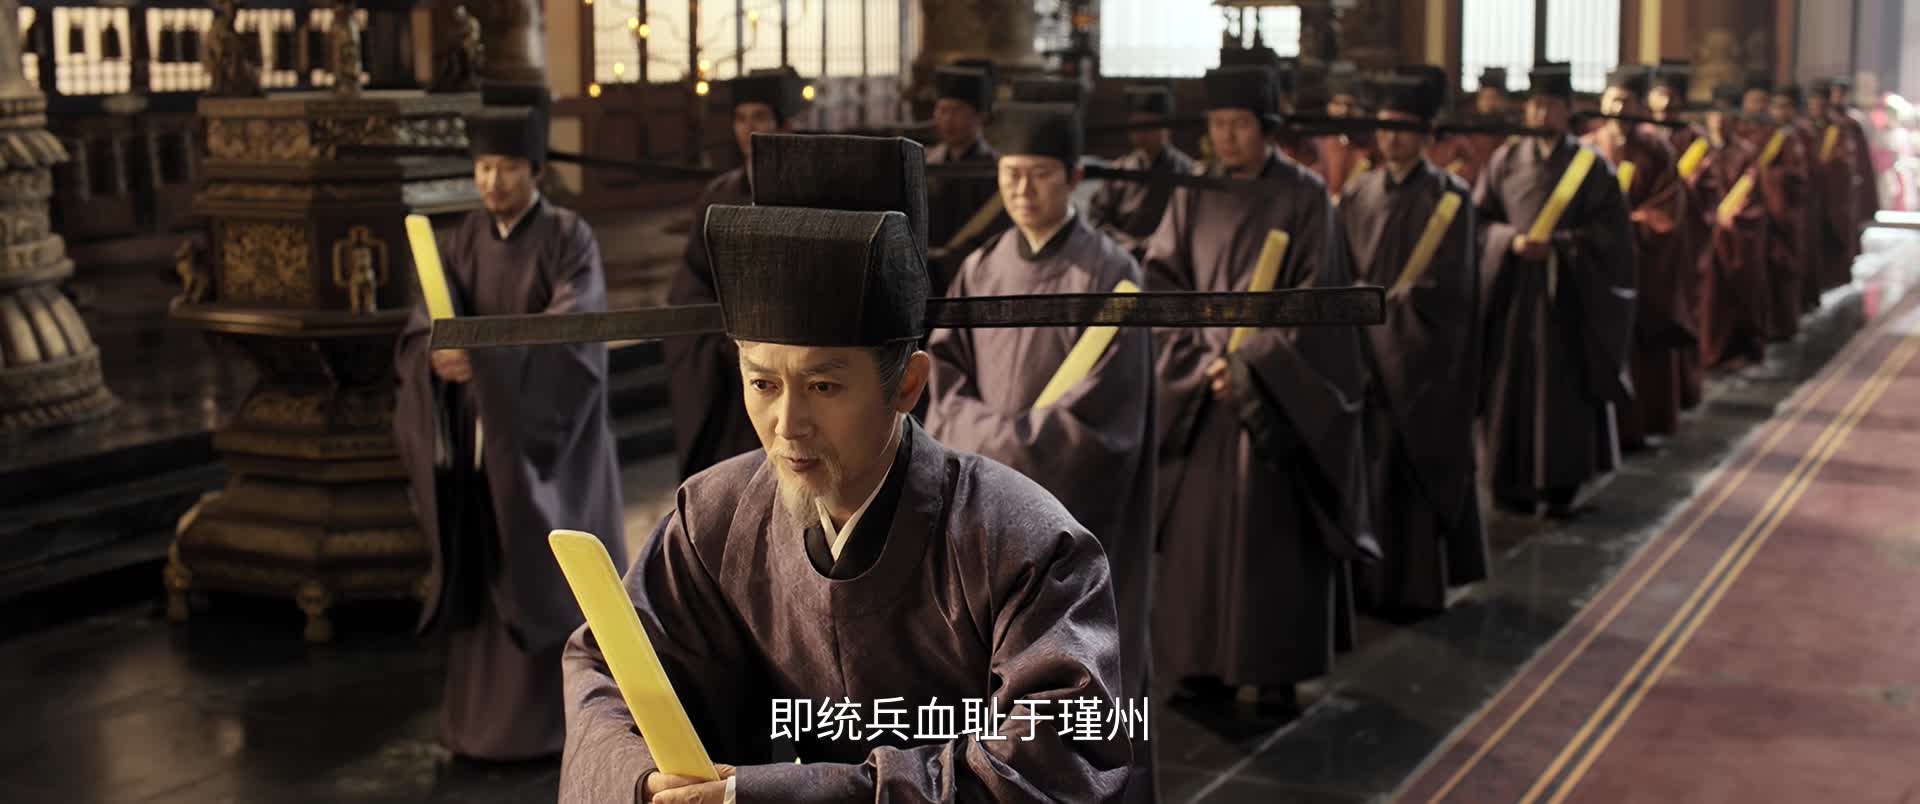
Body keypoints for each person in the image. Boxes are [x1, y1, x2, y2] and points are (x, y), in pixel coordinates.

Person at [558, 133, 1136, 803]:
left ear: (907, 384)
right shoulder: (712, 518)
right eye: (762, 383)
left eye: (823, 386)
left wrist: (770, 795)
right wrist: (645, 777)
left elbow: (1058, 754)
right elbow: (608, 668)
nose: (787, 425)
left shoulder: (1024, 542)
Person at [921, 99, 1160, 804]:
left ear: (1075, 177)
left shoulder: (1110, 274)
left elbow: (1103, 421)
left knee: (1077, 677)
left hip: (1072, 522)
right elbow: (942, 381)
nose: (1022, 189)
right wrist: (995, 445)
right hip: (982, 524)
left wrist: (994, 446)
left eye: (1040, 174)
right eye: (1011, 173)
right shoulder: (980, 268)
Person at [392, 87, 626, 762]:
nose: (493, 181)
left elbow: (574, 334)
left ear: (536, 171)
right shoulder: (461, 239)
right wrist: (435, 354)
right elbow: (425, 323)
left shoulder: (569, 238)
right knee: (488, 562)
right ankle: (478, 727)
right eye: (484, 167)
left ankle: (568, 727)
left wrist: (486, 362)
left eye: (508, 168)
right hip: (484, 440)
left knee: (552, 572)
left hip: (552, 446)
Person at [1144, 61, 1373, 716]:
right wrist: (1202, 360)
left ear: (1267, 127)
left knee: (1271, 540)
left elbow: (1318, 303)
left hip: (1272, 402)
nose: (1226, 137)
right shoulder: (1192, 192)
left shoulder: (1305, 197)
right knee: (1197, 545)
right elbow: (1161, 286)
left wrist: (1251, 365)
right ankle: (1199, 667)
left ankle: (1274, 668)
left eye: (1239, 124)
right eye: (1217, 124)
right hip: (1200, 391)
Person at [1343, 66, 1488, 618]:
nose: (1392, 139)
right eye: (1385, 127)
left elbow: (1451, 291)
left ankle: (1414, 588)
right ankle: (1365, 584)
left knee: (1412, 470)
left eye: (1404, 129)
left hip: (1421, 363)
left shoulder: (1451, 197)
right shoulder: (1356, 191)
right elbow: (1338, 267)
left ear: (1426, 134)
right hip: (1362, 356)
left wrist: (1385, 323)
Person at [1474, 62, 1635, 518]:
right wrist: (1510, 241)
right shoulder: (1505, 161)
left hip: (1567, 298)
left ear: (1568, 110)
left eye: (1550, 105)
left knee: (1561, 393)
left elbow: (1612, 238)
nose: (1540, 113)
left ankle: (1562, 483)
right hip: (1513, 295)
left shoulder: (1592, 167)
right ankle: (1510, 482)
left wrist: (1561, 247)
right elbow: (1479, 222)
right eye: (1534, 104)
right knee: (1510, 388)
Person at [664, 67, 808, 480]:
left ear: (784, 124)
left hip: (789, 354)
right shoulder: (719, 194)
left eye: (760, 117)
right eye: (741, 118)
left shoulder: (808, 190)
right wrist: (718, 338)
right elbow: (693, 276)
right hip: (725, 361)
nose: (749, 128)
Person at [1584, 65, 1696, 452]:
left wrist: (1624, 227)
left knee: (1641, 351)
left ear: (1640, 107)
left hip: (1639, 266)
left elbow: (1666, 210)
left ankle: (1637, 427)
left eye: (1628, 101)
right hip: (1592, 267)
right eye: (1613, 100)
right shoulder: (1586, 148)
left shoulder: (1658, 151)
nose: (1619, 109)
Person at [1695, 85, 1774, 373]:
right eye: (1714, 117)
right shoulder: (1697, 151)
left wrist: (1728, 219)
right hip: (1703, 232)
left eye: (1725, 116)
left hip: (1733, 235)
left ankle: (1737, 348)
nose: (1719, 123)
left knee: (1738, 293)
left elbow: (1751, 194)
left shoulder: (1745, 152)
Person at [1085, 83, 1196, 261]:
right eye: (1136, 125)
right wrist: (1126, 245)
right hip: (1118, 257)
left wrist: (1152, 246)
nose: (1142, 132)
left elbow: (1188, 228)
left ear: (1166, 126)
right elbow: (1096, 219)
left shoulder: (1187, 172)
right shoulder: (1118, 170)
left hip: (1167, 260)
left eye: (1149, 125)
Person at [926, 60, 1006, 291]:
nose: (947, 119)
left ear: (980, 115)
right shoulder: (926, 164)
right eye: (942, 110)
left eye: (957, 110)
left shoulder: (996, 169)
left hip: (978, 274)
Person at [1744, 74, 1812, 343]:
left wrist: (1768, 179)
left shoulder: (1791, 138)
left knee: (1782, 268)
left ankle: (1783, 324)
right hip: (1760, 211)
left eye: (1785, 107)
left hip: (1782, 212)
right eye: (1775, 106)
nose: (1778, 112)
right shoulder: (1759, 133)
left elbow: (1798, 177)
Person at [1427, 67, 1515, 186]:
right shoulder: (1468, 127)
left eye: (1493, 98)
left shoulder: (1509, 129)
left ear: (1502, 101)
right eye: (1484, 98)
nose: (1489, 103)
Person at [1312, 68, 1377, 202]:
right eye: (1337, 104)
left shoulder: (1373, 144)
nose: (1344, 110)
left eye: (1350, 105)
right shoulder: (1318, 142)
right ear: (1329, 107)